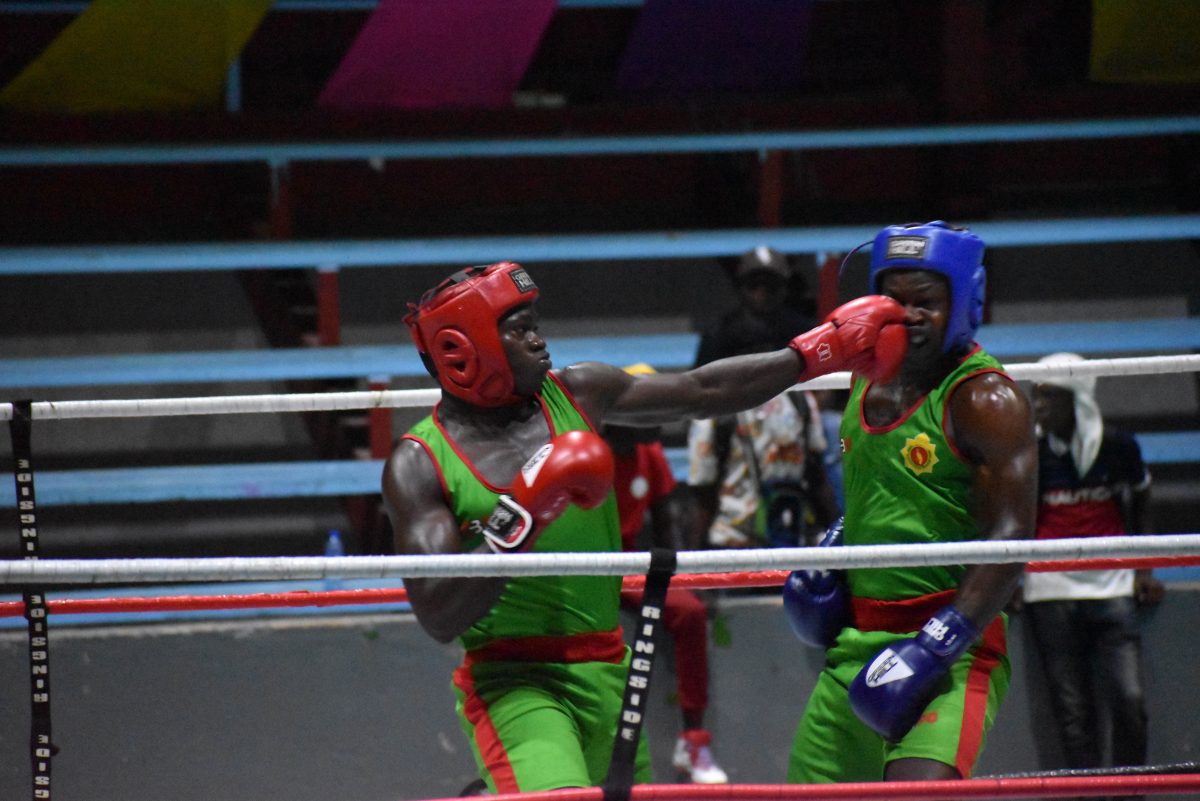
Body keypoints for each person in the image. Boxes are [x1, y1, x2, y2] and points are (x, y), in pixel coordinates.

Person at [382, 260, 909, 793]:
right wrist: (519, 515)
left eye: (535, 324)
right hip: (514, 683)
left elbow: (702, 391)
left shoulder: (579, 393)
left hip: (612, 668)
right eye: (519, 330)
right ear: (464, 349)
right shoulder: (421, 462)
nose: (540, 341)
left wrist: (811, 355)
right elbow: (438, 612)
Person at [782, 221, 1038, 785]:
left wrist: (937, 645)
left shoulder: (985, 399)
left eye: (926, 302)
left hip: (951, 645)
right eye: (894, 301)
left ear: (965, 301)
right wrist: (838, 540)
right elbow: (887, 486)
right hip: (855, 644)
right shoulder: (863, 377)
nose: (908, 316)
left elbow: (1012, 538)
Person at [1021, 352, 1163, 779]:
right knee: (1073, 716)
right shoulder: (1031, 453)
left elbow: (1141, 501)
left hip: (1112, 588)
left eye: (1049, 395)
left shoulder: (1119, 447)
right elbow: (1017, 520)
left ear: (1077, 397)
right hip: (1049, 593)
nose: (1039, 405)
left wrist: (1144, 570)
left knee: (1130, 703)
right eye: (1036, 395)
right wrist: (1011, 583)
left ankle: (1128, 792)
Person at [602, 367, 728, 784]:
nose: (655, 420)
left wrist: (685, 578)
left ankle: (693, 738)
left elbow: (667, 529)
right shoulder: (586, 454)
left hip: (631, 569)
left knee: (689, 613)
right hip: (588, 569)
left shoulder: (650, 455)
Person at [689, 246, 841, 549]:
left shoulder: (802, 329)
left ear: (783, 287)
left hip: (792, 413)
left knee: (831, 439)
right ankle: (695, 564)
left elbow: (828, 381)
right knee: (708, 476)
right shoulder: (720, 331)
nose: (762, 292)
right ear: (741, 287)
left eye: (770, 285)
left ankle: (834, 545)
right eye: (754, 284)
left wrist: (804, 406)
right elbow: (699, 385)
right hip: (730, 415)